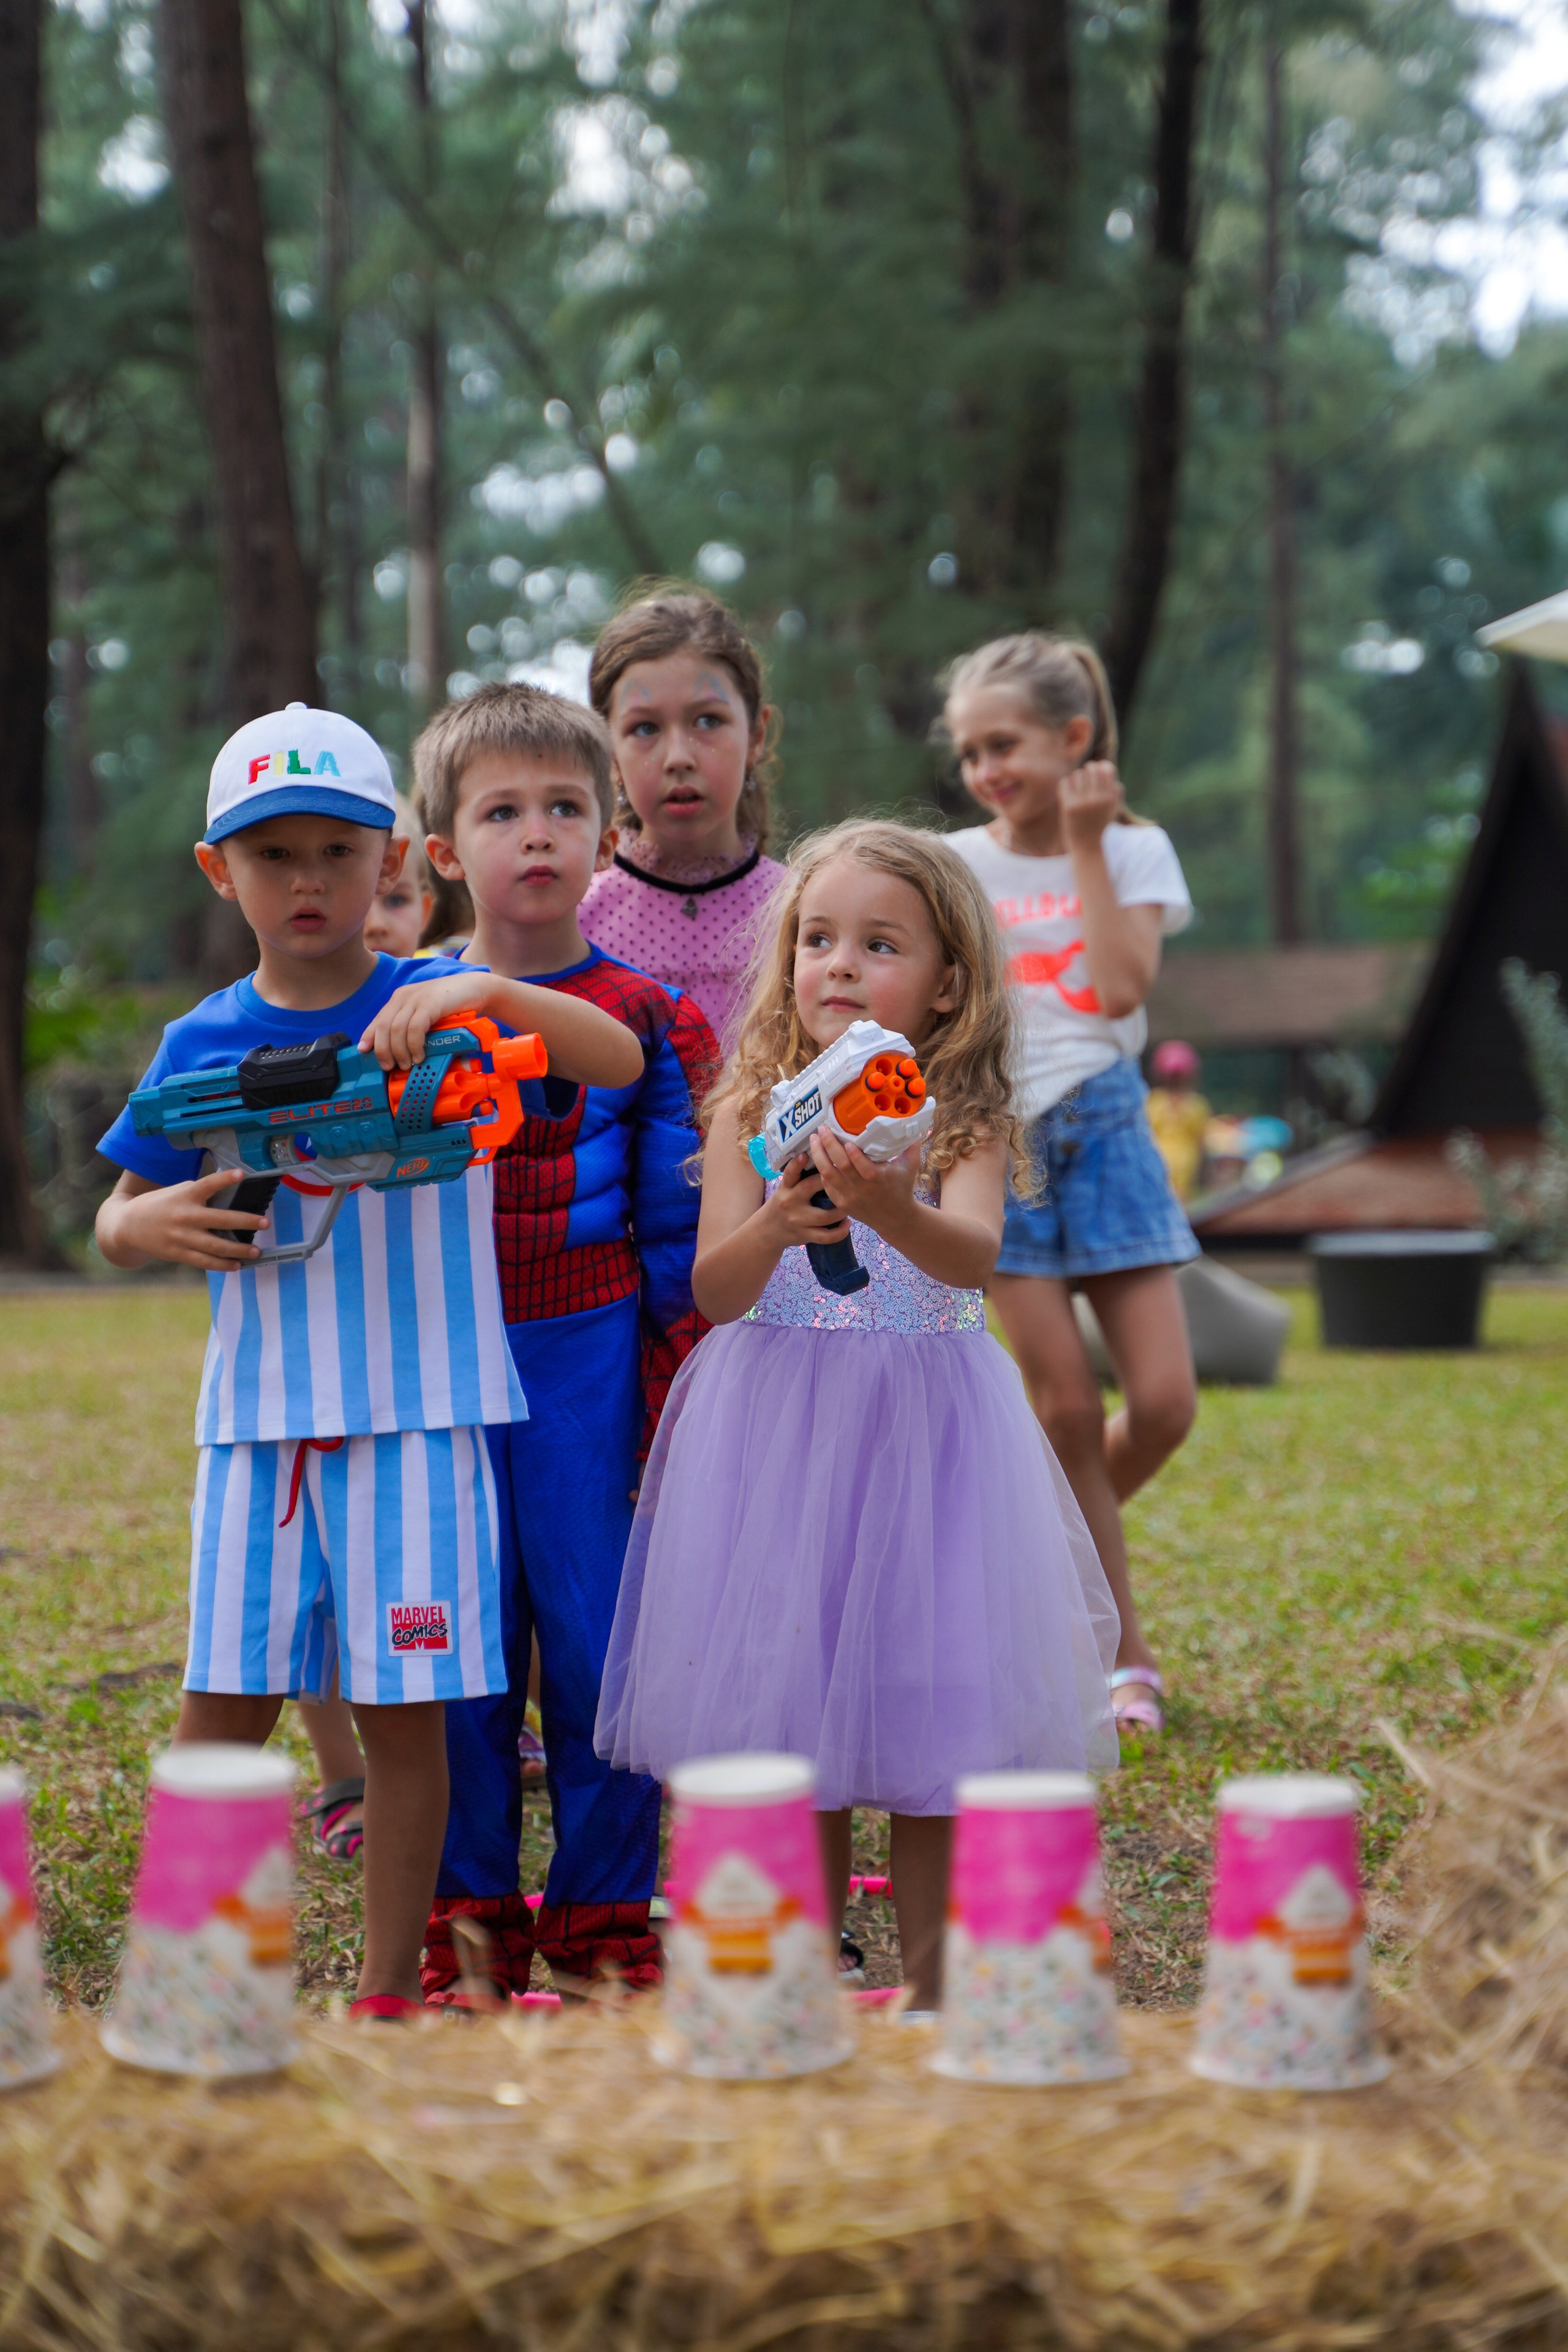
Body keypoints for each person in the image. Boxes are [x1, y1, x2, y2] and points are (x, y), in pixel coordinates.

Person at [94, 703, 641, 2018]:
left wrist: (486, 990)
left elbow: (613, 1056)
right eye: (271, 854)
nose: (307, 881)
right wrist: (145, 1224)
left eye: (337, 851)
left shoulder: (432, 1002)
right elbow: (118, 1210)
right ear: (218, 872)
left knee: (408, 1721)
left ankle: (389, 1989)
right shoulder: (201, 1040)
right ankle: (182, 1978)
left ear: (393, 860)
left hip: (426, 1420)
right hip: (257, 1428)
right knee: (222, 1705)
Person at [595, 819, 1118, 2011]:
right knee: (795, 1722)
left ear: (945, 982)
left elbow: (972, 1260)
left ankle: (936, 1992)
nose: (838, 963)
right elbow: (714, 1295)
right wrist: (778, 1222)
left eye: (878, 944)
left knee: (934, 1721)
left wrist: (889, 1205)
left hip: (927, 1435)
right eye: (817, 938)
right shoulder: (749, 1111)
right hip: (776, 1430)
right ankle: (801, 1975)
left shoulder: (957, 1116)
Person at [413, 682, 719, 2004]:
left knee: (600, 1647)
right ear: (440, 852)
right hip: (436, 1363)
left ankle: (605, 1922)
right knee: (460, 1654)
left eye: (562, 809)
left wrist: (675, 1367)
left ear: (607, 840)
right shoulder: (398, 1002)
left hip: (588, 1351)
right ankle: (466, 1925)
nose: (533, 835)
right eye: (499, 811)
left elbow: (676, 1211)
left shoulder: (650, 1015)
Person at [943, 635, 1198, 1742]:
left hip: (1108, 1128)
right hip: (1000, 1139)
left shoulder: (1135, 850)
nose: (985, 770)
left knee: (1166, 1403)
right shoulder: (954, 862)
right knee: (1065, 1411)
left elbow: (1118, 987)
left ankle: (1045, 1560)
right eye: (968, 753)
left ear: (1075, 740)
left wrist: (1088, 843)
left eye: (1004, 745)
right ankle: (1121, 1657)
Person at [292, 792, 442, 1867]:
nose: (373, 914)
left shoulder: (435, 1005)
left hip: (415, 1376)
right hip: (293, 1385)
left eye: (393, 895)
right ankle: (340, 1771)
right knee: (308, 1609)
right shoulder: (274, 1015)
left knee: (408, 1602)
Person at [579, 585, 789, 1047]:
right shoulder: (573, 917)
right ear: (608, 752)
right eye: (645, 728)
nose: (678, 757)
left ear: (756, 735)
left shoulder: (804, 912)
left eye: (708, 721)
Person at [1145, 1039, 1212, 1203]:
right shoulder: (1197, 1105)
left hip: (1155, 1164)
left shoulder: (1152, 1102)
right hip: (1185, 1168)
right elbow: (1201, 1142)